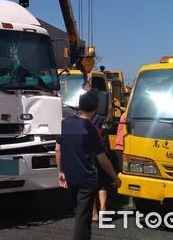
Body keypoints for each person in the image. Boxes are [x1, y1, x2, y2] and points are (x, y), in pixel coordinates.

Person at [56, 91, 122, 239]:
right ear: (95, 108)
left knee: (78, 212)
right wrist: (114, 176)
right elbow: (102, 159)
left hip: (71, 177)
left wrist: (61, 171)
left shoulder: (65, 123)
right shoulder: (90, 128)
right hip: (86, 178)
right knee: (83, 218)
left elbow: (58, 149)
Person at [114, 111, 135, 210]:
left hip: (123, 146)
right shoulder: (129, 114)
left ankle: (128, 197)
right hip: (123, 146)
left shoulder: (126, 113)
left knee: (124, 171)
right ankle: (128, 198)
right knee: (125, 172)